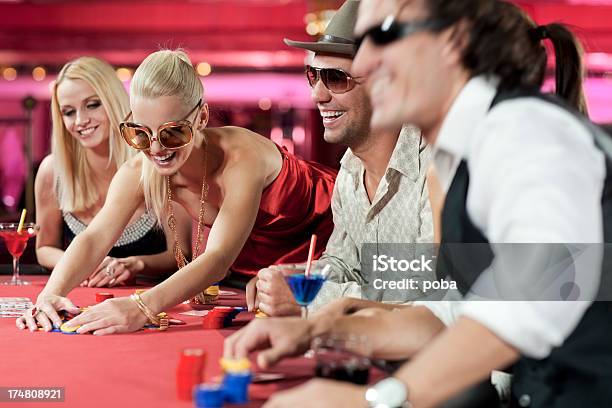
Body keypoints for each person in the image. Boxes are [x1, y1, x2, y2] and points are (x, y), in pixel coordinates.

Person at [225, 1, 612, 407]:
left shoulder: (526, 134)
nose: (366, 62)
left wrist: (373, 401)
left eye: (381, 37)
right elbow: (448, 314)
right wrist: (317, 331)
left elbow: (526, 309)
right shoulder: (455, 159)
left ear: (451, 44)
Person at [16, 50, 336, 335]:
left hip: (338, 235)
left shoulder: (241, 156)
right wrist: (50, 294)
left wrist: (141, 307)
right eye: (141, 133)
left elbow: (218, 258)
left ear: (201, 118)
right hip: (270, 270)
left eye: (172, 132)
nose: (156, 149)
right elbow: (94, 238)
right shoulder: (139, 171)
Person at [248, 0, 434, 318]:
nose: (317, 95)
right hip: (367, 351)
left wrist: (307, 298)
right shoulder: (348, 173)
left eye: (335, 77)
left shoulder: (437, 167)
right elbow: (344, 264)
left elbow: (428, 300)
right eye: (313, 76)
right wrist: (291, 277)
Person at [35, 56, 186, 288]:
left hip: (149, 301)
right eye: (68, 112)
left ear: (113, 101)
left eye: (92, 104)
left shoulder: (156, 160)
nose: (80, 120)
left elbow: (181, 253)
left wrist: (136, 264)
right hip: (81, 299)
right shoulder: (52, 171)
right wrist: (82, 262)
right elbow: (44, 248)